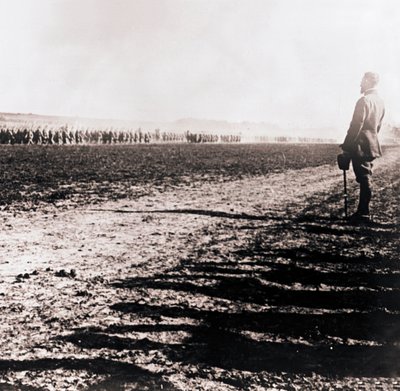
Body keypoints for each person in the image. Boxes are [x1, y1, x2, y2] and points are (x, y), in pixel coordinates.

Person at [340, 72, 385, 223]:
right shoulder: (380, 102)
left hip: (360, 146)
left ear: (367, 81)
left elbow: (355, 126)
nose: (360, 83)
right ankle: (363, 211)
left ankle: (363, 212)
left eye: (362, 80)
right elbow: (377, 127)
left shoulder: (364, 101)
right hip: (371, 145)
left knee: (365, 178)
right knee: (366, 177)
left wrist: (347, 146)